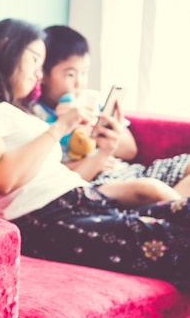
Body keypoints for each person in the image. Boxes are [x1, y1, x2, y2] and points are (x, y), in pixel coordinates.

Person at [0, 18, 190, 289]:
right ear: (6, 46)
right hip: (45, 215)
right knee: (175, 244)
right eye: (35, 59)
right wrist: (59, 127)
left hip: (81, 197)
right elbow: (2, 178)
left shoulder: (12, 110)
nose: (38, 74)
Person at [33, 25, 190, 202]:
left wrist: (104, 130)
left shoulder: (92, 101)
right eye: (70, 74)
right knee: (151, 188)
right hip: (98, 184)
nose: (80, 83)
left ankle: (169, 212)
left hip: (132, 171)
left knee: (163, 183)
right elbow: (52, 177)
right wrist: (96, 159)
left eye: (84, 72)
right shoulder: (36, 118)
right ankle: (172, 211)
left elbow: (130, 151)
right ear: (43, 74)